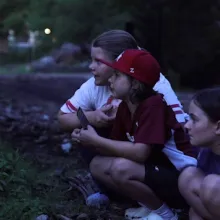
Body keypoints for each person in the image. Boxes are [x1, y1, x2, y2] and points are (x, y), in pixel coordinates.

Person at [58, 30, 188, 209]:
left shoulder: (153, 95)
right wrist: (92, 123)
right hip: (142, 158)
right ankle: (135, 198)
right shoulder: (116, 95)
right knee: (97, 156)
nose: (91, 67)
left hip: (171, 168)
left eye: (98, 61)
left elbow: (147, 149)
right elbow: (63, 118)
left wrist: (97, 140)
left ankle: (162, 209)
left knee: (120, 164)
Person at [178, 87, 220, 220]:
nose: (187, 125)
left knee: (211, 185)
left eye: (194, 120)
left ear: (218, 127)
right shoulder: (206, 152)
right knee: (188, 176)